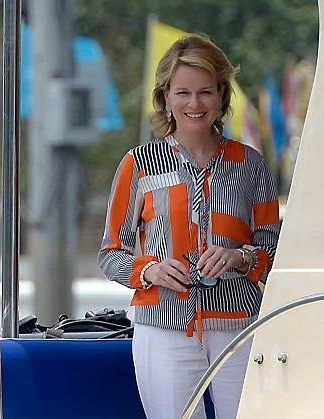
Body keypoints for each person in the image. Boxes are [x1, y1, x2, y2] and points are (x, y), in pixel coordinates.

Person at [98, 34, 280, 419]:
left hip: (239, 327)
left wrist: (240, 258)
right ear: (165, 96)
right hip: (161, 327)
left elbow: (276, 252)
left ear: (221, 94)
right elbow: (111, 254)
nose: (194, 104)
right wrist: (150, 270)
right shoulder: (138, 163)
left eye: (205, 92)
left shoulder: (251, 165)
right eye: (182, 92)